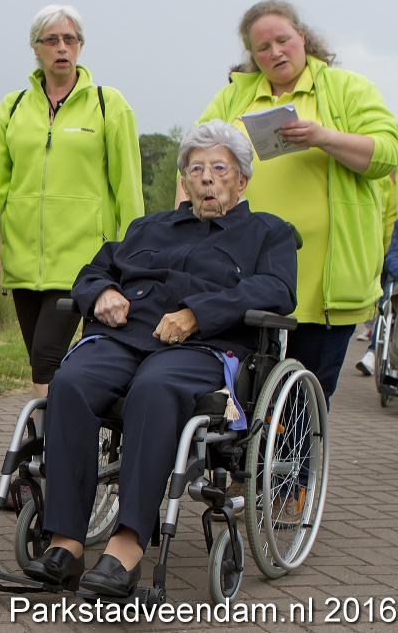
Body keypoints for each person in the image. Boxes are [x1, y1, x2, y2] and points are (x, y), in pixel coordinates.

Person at [23, 121, 297, 595]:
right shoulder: (148, 227)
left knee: (154, 387)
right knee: (70, 382)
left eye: (219, 169)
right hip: (124, 339)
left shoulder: (267, 233)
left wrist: (197, 313)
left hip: (203, 346)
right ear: (184, 180)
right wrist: (102, 292)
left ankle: (126, 547)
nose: (207, 178)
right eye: (196, 169)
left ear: (242, 180)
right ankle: (66, 542)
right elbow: (93, 270)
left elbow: (276, 289)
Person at [180, 0, 398, 408]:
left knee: (303, 400)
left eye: (283, 40)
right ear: (252, 54)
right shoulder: (234, 96)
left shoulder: (347, 88)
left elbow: (387, 154)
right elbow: (193, 156)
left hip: (322, 283)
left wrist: (323, 137)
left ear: (302, 37)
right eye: (262, 47)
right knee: (239, 394)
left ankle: (295, 454)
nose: (275, 52)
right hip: (241, 275)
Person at [0, 4, 143, 402]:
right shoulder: (10, 109)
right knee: (43, 361)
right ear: (35, 48)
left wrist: (135, 258)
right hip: (24, 262)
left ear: (80, 46)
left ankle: (48, 437)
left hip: (82, 262)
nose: (62, 47)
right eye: (52, 40)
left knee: (46, 359)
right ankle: (68, 424)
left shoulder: (109, 105)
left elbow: (128, 188)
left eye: (70, 39)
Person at [357, 122, 398, 375]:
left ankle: (379, 352)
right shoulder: (379, 173)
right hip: (384, 244)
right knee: (385, 300)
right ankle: (376, 350)